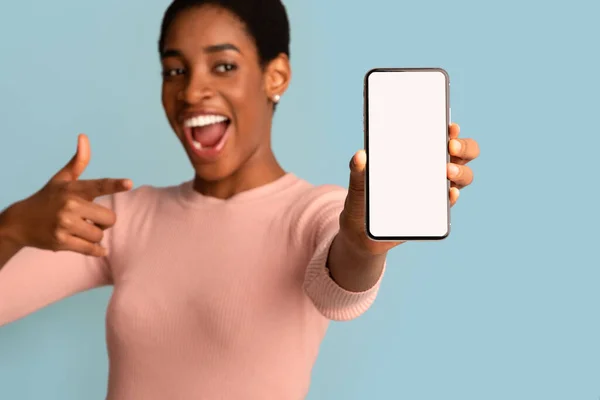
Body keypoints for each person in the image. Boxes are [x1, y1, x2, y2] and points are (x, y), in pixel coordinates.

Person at [0, 0, 480, 399]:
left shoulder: (313, 212)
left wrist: (365, 241)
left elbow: (338, 285)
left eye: (223, 65)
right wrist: (13, 226)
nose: (192, 90)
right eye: (174, 70)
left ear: (276, 77)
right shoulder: (127, 215)